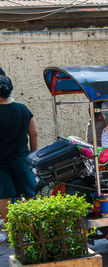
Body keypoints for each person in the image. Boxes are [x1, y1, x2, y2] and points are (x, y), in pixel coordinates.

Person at [0, 73, 38, 223]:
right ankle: (33, 226)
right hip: (21, 158)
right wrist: (33, 154)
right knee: (29, 191)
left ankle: (13, 230)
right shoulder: (22, 109)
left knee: (4, 195)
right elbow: (34, 133)